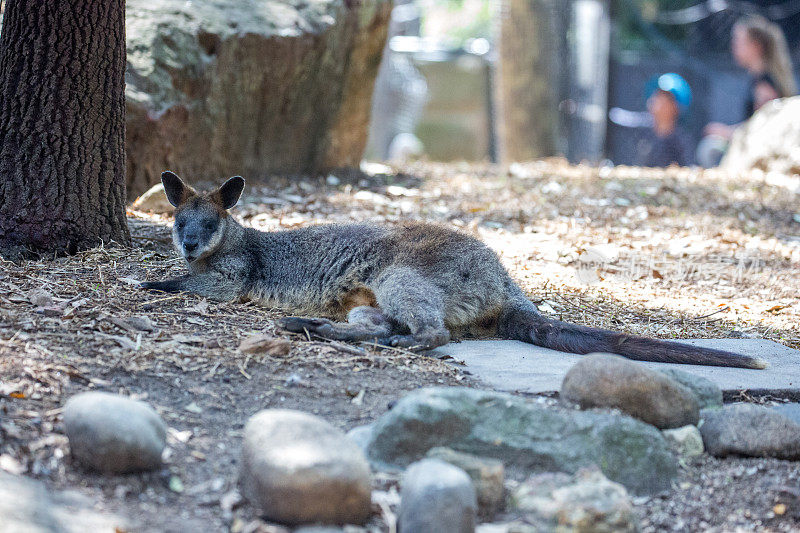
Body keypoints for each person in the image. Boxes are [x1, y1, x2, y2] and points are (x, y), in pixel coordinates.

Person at [704, 15, 796, 140]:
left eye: (738, 41)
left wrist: (726, 133)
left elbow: (763, 128)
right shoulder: (759, 80)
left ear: (756, 46)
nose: (733, 46)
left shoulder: (764, 86)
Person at [636, 73, 693, 167]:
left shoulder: (680, 142)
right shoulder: (643, 133)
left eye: (663, 99)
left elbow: (687, 169)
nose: (656, 101)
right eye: (657, 96)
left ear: (675, 107)